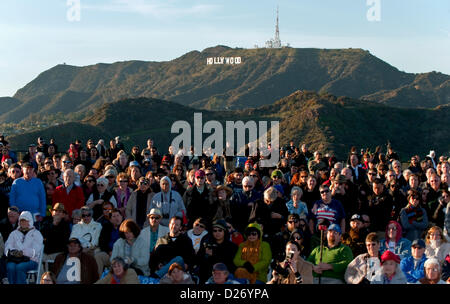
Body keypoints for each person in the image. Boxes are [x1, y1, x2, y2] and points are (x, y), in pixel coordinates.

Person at [4, 211, 43, 284]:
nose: (23, 223)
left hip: (32, 260)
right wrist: (13, 252)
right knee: (10, 267)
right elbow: (7, 246)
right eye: (21, 221)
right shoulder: (14, 233)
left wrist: (23, 252)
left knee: (20, 267)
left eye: (25, 221)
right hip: (15, 259)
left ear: (30, 221)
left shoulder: (36, 233)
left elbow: (37, 249)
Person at [196, 219, 238, 283]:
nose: (217, 233)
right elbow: (198, 258)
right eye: (215, 231)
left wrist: (214, 254)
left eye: (220, 230)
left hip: (224, 275)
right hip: (208, 274)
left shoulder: (232, 246)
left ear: (224, 231)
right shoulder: (207, 242)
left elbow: (230, 263)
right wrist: (205, 254)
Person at [139, 208, 169, 276]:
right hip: (146, 259)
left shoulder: (167, 231)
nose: (154, 220)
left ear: (160, 219)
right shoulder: (142, 232)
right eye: (152, 217)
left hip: (161, 260)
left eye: (157, 218)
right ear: (149, 219)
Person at [40, 203, 71, 267]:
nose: (57, 213)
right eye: (55, 211)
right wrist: (53, 224)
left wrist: (55, 225)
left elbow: (63, 240)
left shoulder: (66, 226)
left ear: (63, 214)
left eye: (60, 211)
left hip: (58, 253)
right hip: (45, 252)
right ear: (52, 213)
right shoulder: (46, 222)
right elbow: (42, 235)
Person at [95, 208, 123, 276]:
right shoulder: (106, 227)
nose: (117, 218)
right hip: (110, 253)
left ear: (121, 217)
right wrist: (109, 251)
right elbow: (101, 242)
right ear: (110, 219)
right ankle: (99, 279)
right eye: (114, 216)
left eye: (118, 215)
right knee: (98, 256)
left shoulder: (126, 226)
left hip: (122, 254)